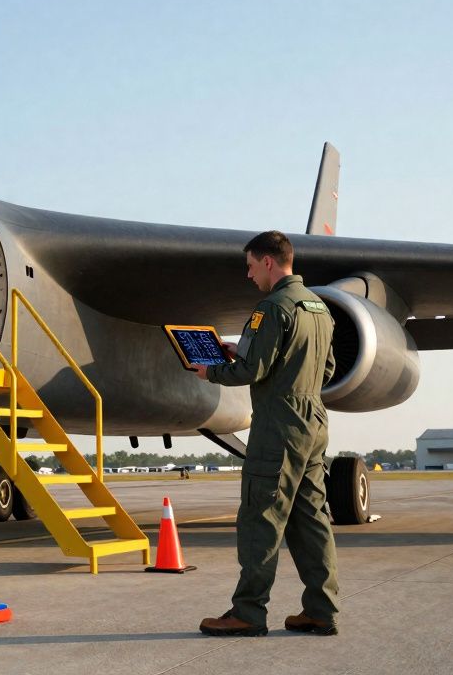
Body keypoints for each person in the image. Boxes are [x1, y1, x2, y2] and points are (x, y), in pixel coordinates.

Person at [189, 230, 340, 637]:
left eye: (251, 266)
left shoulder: (271, 308)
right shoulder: (318, 308)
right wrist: (246, 350)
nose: (249, 275)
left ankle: (248, 612)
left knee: (261, 519)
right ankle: (321, 610)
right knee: (312, 520)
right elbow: (325, 370)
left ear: (269, 262)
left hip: (277, 426)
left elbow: (252, 372)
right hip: (314, 422)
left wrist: (211, 370)